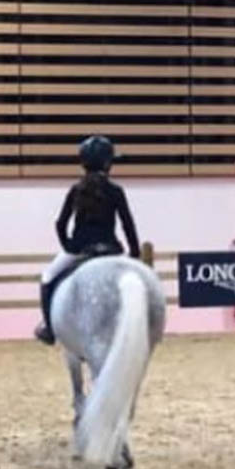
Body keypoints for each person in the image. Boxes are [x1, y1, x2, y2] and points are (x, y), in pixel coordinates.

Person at [34, 135, 141, 346]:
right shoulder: (115, 191)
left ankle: (49, 329)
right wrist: (134, 254)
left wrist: (69, 246)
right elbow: (128, 224)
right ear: (108, 163)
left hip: (81, 249)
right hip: (110, 250)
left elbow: (60, 224)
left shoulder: (76, 190)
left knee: (47, 279)